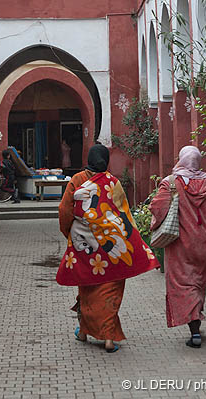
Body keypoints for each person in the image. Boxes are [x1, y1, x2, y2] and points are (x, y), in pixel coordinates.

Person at [57, 144, 158, 353]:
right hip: (113, 246)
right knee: (111, 290)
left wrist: (70, 233)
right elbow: (123, 213)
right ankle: (108, 338)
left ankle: (85, 332)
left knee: (87, 288)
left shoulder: (77, 180)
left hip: (86, 248)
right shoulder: (114, 182)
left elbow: (65, 209)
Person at [149, 145, 206, 348]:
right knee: (198, 284)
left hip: (180, 245)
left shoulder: (171, 183)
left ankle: (194, 331)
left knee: (184, 286)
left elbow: (157, 207)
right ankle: (196, 322)